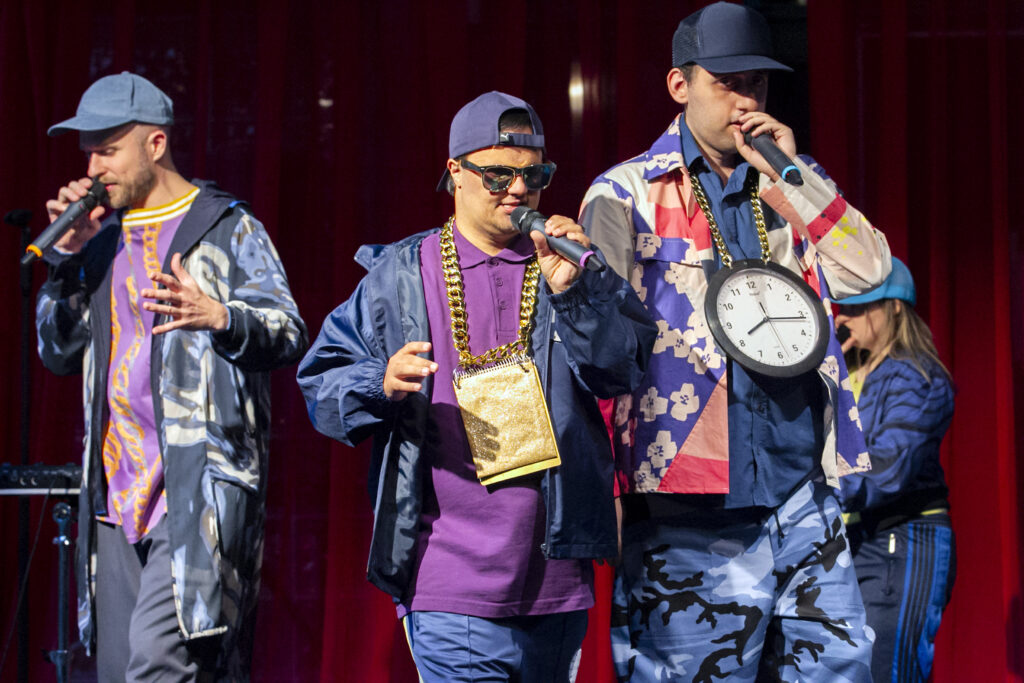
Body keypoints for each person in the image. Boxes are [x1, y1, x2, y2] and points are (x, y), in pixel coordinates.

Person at [579, 3, 892, 681]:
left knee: (843, 669)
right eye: (728, 81)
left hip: (802, 487)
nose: (746, 98)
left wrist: (794, 178)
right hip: (688, 501)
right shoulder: (625, 192)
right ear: (679, 85)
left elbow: (870, 270)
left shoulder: (789, 182)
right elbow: (596, 342)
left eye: (758, 82)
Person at [297, 91, 656, 681]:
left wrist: (575, 295)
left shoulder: (567, 265)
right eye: (498, 176)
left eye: (533, 175)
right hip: (447, 577)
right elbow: (321, 380)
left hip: (555, 579)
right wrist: (378, 382)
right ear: (454, 175)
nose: (518, 190)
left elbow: (624, 371)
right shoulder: (402, 275)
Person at [36, 71, 308, 681]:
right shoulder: (100, 242)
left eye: (108, 148)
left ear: (154, 145)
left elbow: (290, 333)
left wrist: (221, 316)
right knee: (118, 671)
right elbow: (55, 350)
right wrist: (65, 263)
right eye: (88, 151)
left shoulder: (226, 228)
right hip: (113, 500)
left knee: (161, 667)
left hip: (196, 498)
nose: (94, 164)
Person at [834, 258, 956, 683]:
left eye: (858, 307)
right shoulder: (842, 374)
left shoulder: (917, 376)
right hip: (849, 540)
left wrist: (819, 488)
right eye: (840, 307)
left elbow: (888, 469)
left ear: (895, 306)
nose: (844, 318)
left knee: (886, 670)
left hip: (900, 540)